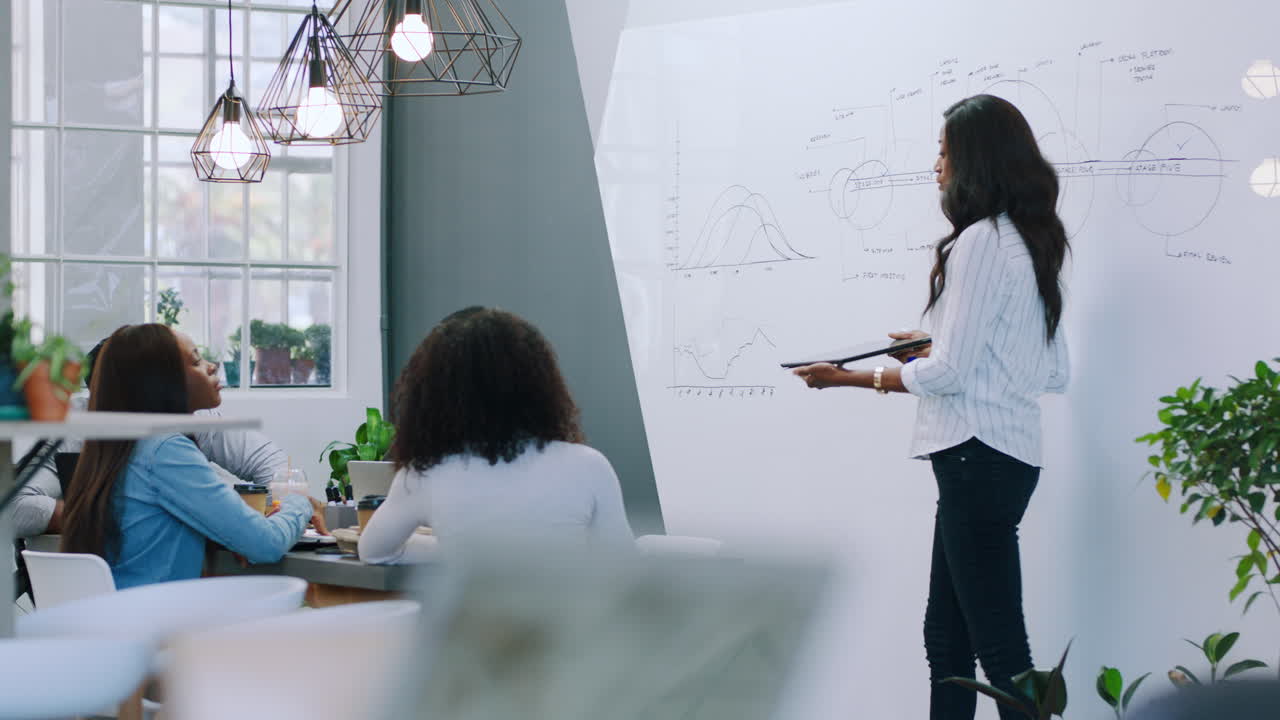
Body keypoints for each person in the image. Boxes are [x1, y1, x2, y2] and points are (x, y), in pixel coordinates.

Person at [791, 94, 1070, 720]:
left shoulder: (978, 243)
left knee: (998, 650)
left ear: (975, 160)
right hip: (1005, 460)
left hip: (973, 459)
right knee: (948, 639)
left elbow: (947, 375)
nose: (935, 165)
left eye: (944, 151)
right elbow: (1053, 371)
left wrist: (851, 379)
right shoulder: (1034, 244)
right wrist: (930, 346)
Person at [58, 324, 327, 589]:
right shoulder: (166, 450)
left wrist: (230, 533)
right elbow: (266, 545)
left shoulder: (120, 445)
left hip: (120, 618)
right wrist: (300, 503)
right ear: (161, 382)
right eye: (197, 361)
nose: (212, 366)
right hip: (156, 624)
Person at [358, 307, 633, 564]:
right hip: (571, 615)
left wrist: (459, 552)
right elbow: (621, 565)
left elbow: (374, 553)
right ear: (540, 383)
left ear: (435, 393)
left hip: (473, 615)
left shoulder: (424, 474)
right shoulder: (589, 465)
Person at [5, 334, 289, 539]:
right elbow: (12, 508)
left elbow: (274, 469)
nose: (211, 366)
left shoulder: (185, 432)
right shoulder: (81, 428)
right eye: (195, 361)